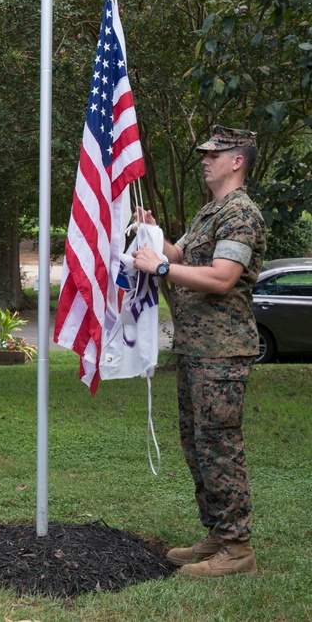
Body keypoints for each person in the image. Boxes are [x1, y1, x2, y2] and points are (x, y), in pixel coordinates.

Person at [132, 125, 265, 578]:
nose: (205, 159)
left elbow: (222, 277)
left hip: (222, 352)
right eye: (204, 153)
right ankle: (217, 533)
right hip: (197, 350)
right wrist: (155, 237)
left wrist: (163, 265)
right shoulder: (212, 212)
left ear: (237, 161)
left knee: (219, 445)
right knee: (197, 444)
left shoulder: (241, 214)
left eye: (214, 153)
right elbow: (180, 256)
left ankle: (238, 549)